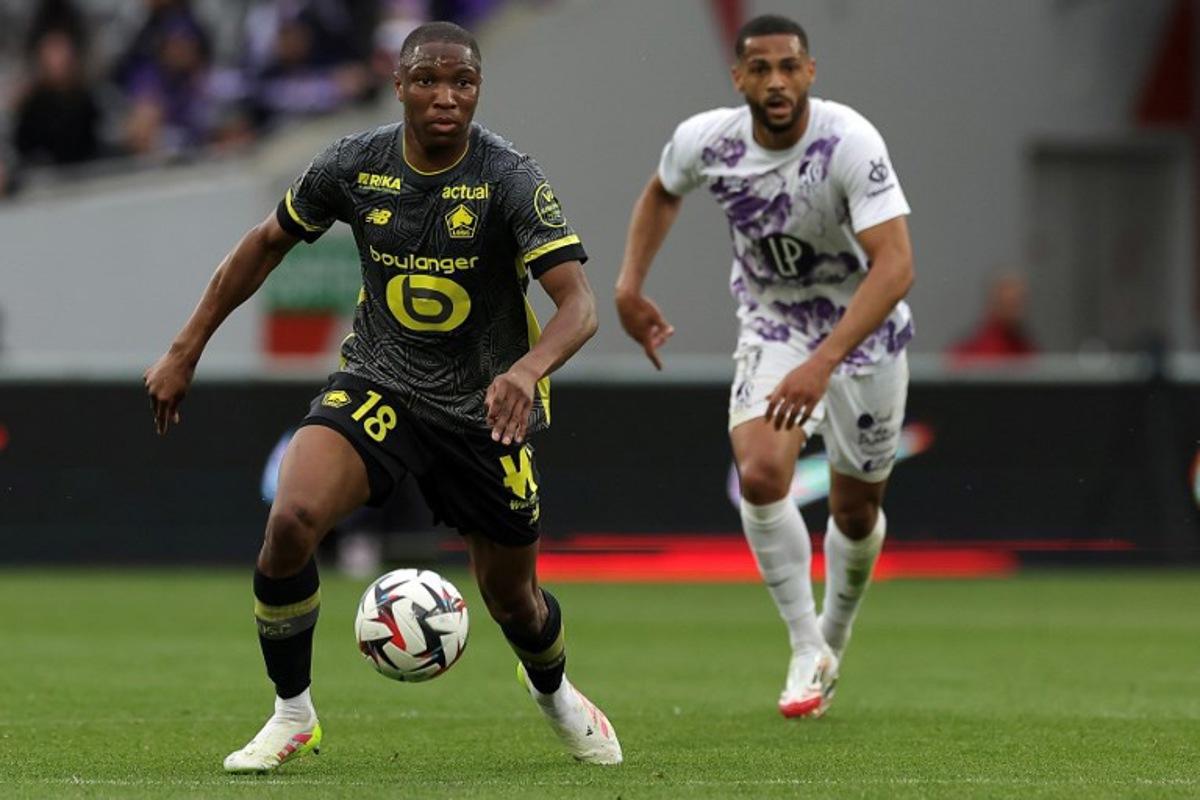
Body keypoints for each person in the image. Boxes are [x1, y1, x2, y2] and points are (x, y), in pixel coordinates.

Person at [144, 21, 621, 772]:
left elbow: (581, 305)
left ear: (477, 91)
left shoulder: (509, 178)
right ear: (398, 85)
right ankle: (291, 714)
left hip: (483, 410)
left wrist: (525, 373)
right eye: (427, 79)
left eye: (461, 82)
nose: (445, 96)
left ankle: (555, 692)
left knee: (515, 603)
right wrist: (185, 347)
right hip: (381, 382)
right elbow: (266, 242)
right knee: (293, 518)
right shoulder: (355, 163)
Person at [615, 14, 915, 719]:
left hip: (862, 335)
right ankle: (807, 645)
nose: (775, 81)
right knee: (760, 473)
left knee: (856, 507)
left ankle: (833, 636)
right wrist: (629, 286)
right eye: (761, 68)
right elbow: (662, 189)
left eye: (788, 67)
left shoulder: (849, 141)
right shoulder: (708, 141)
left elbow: (897, 265)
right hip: (775, 326)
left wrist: (826, 362)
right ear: (739, 77)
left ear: (810, 72)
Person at [948, 272, 1036, 363]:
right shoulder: (972, 351)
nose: (1015, 310)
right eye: (1008, 303)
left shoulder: (1027, 349)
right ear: (993, 302)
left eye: (1019, 302)